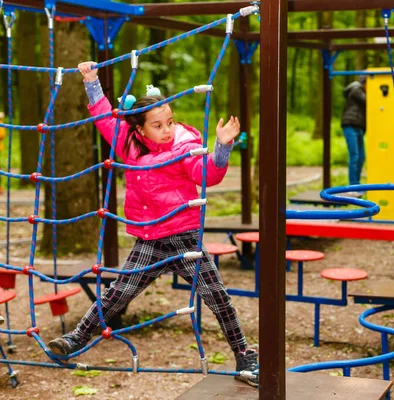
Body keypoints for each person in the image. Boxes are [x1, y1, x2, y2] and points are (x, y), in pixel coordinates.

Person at [48, 62, 259, 387]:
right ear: (141, 129)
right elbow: (105, 120)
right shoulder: (129, 146)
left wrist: (222, 147)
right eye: (158, 125)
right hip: (150, 238)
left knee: (216, 295)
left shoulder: (185, 146)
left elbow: (207, 174)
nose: (167, 129)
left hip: (184, 237)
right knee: (119, 292)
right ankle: (77, 338)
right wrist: (91, 82)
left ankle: (244, 355)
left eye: (170, 122)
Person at [341, 75, 367, 197]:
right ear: (365, 83)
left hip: (358, 126)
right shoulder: (356, 89)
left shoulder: (359, 90)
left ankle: (356, 184)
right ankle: (352, 186)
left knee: (361, 156)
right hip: (350, 125)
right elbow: (368, 101)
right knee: (355, 156)